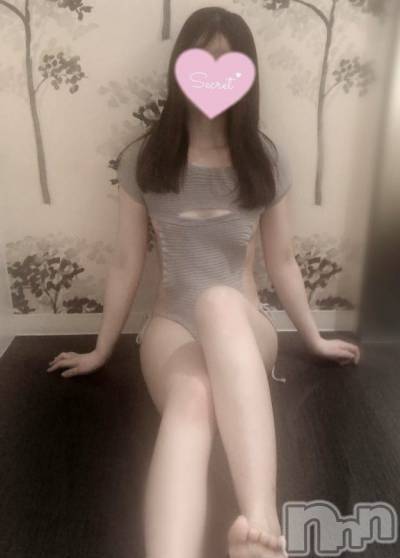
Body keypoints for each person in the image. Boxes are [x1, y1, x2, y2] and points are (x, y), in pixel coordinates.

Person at [47, 7, 361, 558]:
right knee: (191, 396)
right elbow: (126, 262)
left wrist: (313, 339)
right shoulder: (144, 159)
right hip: (171, 326)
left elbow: (283, 260)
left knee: (219, 301)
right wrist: (101, 349)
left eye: (228, 61)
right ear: (181, 68)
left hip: (246, 325)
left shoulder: (265, 158)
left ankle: (260, 522)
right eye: (202, 58)